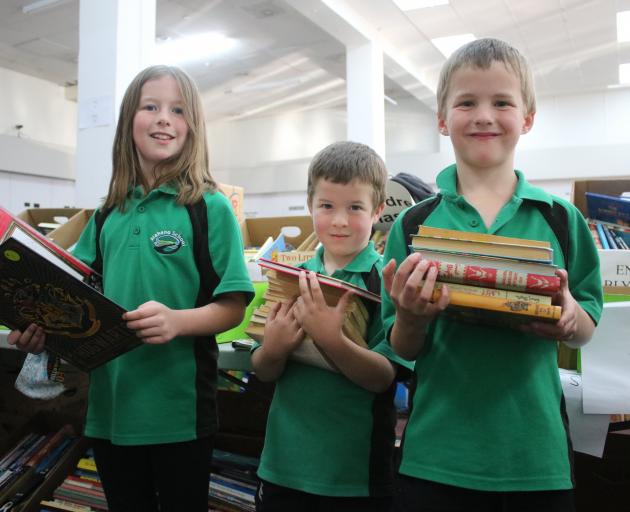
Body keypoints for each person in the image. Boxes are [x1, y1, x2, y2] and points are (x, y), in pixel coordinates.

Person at [8, 65, 254, 512]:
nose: (164, 118)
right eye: (151, 106)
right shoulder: (106, 215)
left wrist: (178, 321)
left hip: (181, 413)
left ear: (192, 127)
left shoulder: (209, 207)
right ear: (128, 123)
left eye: (178, 110)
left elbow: (233, 306)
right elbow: (68, 297)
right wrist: (36, 326)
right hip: (109, 412)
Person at [381, 38, 604, 512]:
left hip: (535, 457)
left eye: (501, 102)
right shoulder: (414, 224)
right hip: (436, 455)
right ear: (442, 118)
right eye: (467, 102)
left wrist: (568, 320)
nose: (484, 115)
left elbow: (586, 325)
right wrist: (412, 315)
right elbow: (401, 347)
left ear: (527, 117)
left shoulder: (562, 219)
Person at [251, 141, 413, 512]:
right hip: (283, 467)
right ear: (310, 206)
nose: (339, 220)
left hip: (354, 477)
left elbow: (383, 378)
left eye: (354, 207)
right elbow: (263, 370)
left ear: (377, 210)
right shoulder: (291, 278)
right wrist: (273, 348)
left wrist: (331, 340)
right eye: (326, 206)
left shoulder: (385, 279)